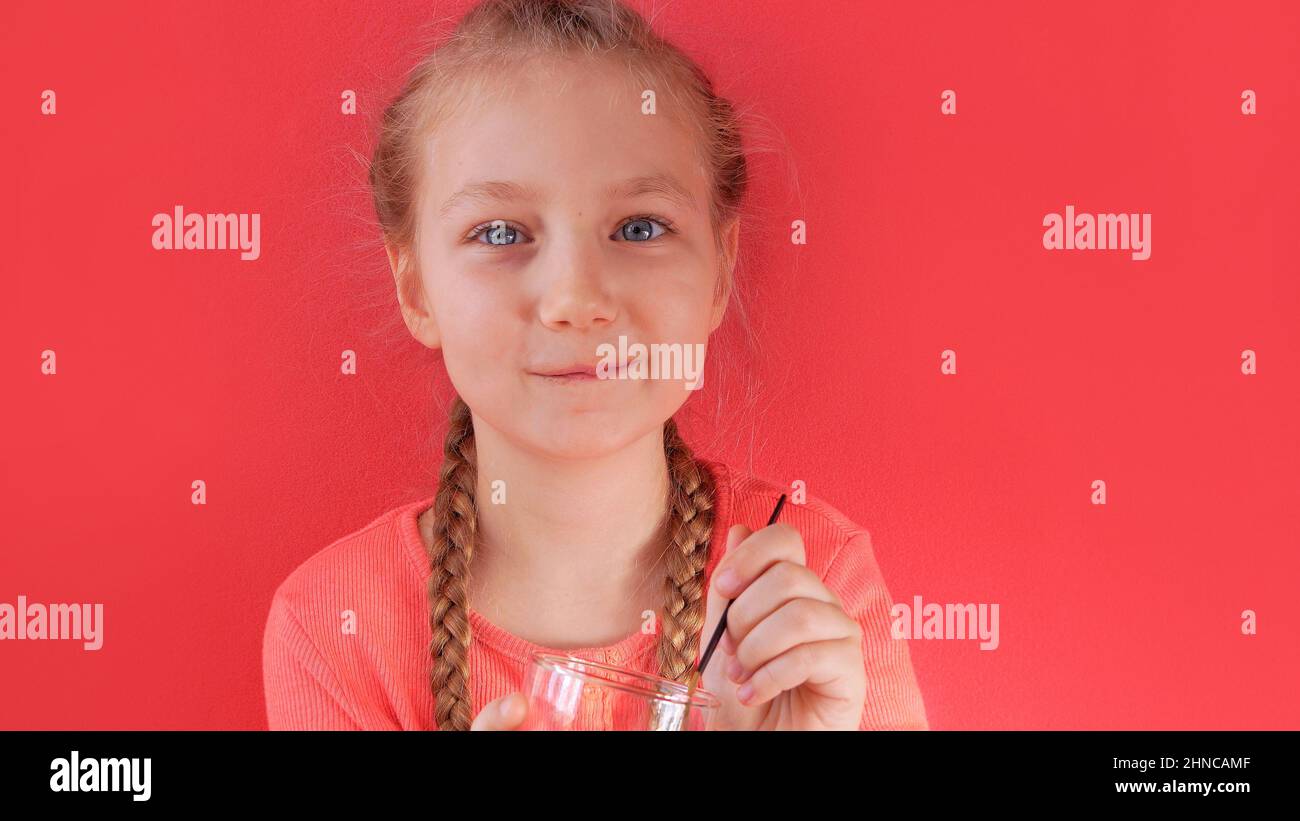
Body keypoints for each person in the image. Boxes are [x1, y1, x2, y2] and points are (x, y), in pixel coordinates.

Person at [263, 0, 928, 731]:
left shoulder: (807, 586)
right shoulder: (336, 622)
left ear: (719, 270)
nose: (576, 300)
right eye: (501, 232)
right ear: (414, 286)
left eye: (639, 227)